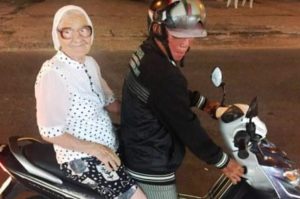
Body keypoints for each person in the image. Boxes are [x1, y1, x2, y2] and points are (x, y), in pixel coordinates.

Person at [120, 0, 244, 198]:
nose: (185, 43)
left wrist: (203, 103)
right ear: (157, 29)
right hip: (149, 162)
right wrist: (223, 162)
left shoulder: (147, 52)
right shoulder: (162, 73)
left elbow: (165, 97)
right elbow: (186, 126)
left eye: (191, 35)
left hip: (139, 146)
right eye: (178, 35)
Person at [35, 5, 146, 199]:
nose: (78, 38)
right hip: (81, 158)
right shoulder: (53, 73)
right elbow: (50, 132)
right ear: (58, 35)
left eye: (84, 30)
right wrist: (95, 149)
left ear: (91, 32)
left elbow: (110, 103)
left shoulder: (90, 63)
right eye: (68, 32)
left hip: (108, 146)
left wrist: (150, 110)